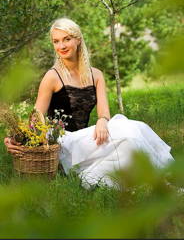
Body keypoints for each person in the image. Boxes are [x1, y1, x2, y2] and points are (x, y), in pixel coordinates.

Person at [4, 17, 174, 189]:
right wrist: (16, 137)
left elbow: (104, 112)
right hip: (63, 143)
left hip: (86, 138)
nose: (61, 46)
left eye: (67, 39)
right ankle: (164, 185)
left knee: (131, 138)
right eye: (56, 41)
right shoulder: (52, 77)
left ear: (78, 39)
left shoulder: (96, 75)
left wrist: (102, 120)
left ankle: (159, 182)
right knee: (128, 132)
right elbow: (35, 119)